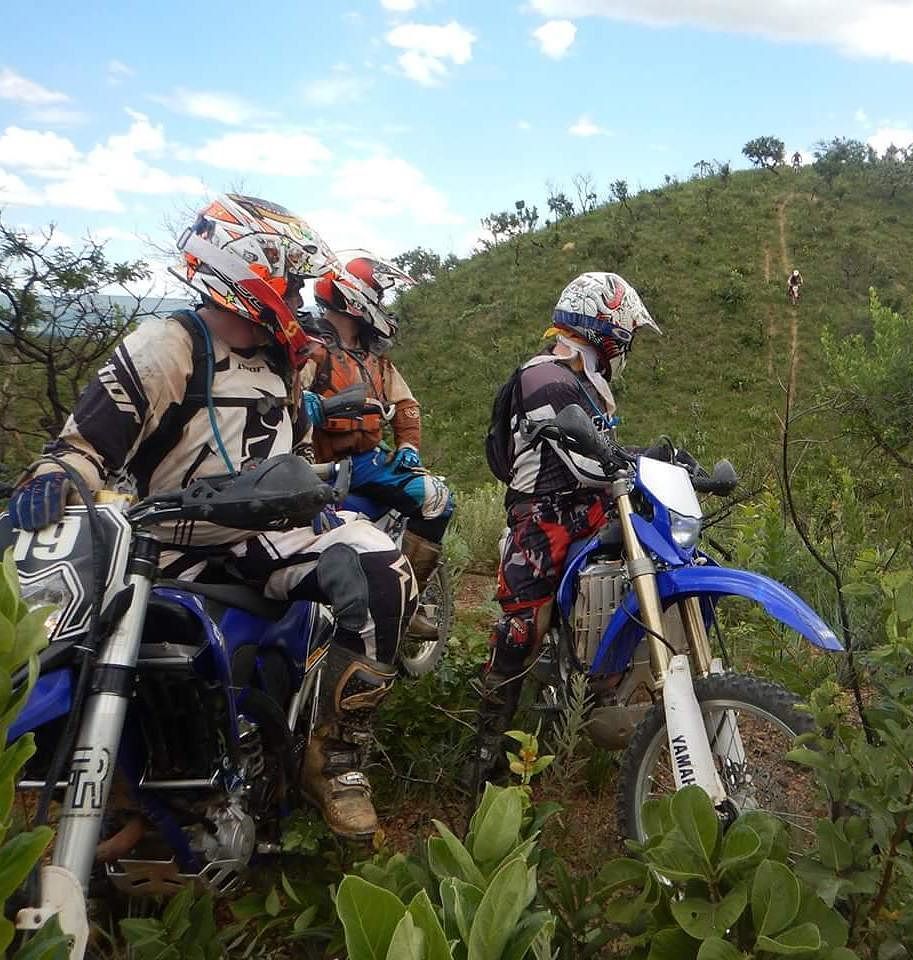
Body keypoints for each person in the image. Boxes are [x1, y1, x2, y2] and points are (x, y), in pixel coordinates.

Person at [6, 195, 414, 841]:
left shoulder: (288, 356)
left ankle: (336, 756)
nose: (300, 293)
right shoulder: (168, 346)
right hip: (159, 539)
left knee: (381, 566)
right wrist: (55, 479)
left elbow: (296, 445)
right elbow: (83, 448)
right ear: (250, 272)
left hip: (269, 533)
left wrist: (315, 480)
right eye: (291, 278)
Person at [461, 271, 661, 790]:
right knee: (522, 630)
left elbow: (603, 457)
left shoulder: (583, 385)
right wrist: (632, 460)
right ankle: (485, 751)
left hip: (591, 511)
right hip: (541, 519)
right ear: (605, 331)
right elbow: (584, 460)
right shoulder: (545, 376)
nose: (628, 349)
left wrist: (663, 461)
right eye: (627, 337)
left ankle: (605, 685)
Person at [301, 251, 454, 640]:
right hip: (316, 466)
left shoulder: (374, 359)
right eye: (377, 295)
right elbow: (280, 397)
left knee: (437, 499)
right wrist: (300, 407)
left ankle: (410, 604)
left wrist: (409, 448)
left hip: (368, 462)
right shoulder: (309, 349)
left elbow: (406, 404)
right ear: (357, 296)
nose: (381, 305)